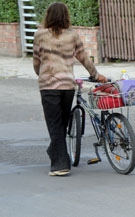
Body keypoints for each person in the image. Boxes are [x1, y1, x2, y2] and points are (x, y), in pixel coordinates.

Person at [33, 2, 107, 176]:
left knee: (55, 125)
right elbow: (83, 57)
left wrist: (41, 73)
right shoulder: (72, 35)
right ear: (66, 16)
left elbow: (36, 61)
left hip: (48, 86)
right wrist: (96, 74)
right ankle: (55, 152)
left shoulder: (40, 35)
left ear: (48, 16)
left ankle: (60, 165)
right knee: (61, 124)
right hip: (67, 86)